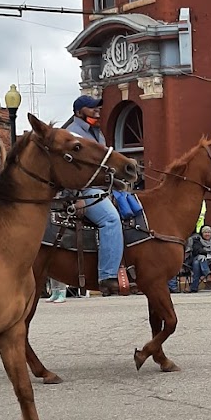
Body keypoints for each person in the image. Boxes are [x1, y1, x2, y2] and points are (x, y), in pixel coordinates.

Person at [62, 94, 125, 295]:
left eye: (98, 108)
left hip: (104, 187)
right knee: (111, 220)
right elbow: (68, 169)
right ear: (79, 112)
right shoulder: (72, 134)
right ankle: (107, 276)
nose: (97, 111)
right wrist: (76, 196)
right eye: (92, 108)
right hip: (86, 190)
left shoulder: (97, 134)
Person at [185, 224, 211, 292]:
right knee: (199, 259)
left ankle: (193, 287)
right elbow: (197, 250)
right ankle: (207, 274)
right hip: (196, 258)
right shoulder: (197, 239)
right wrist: (205, 254)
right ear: (202, 233)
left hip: (210, 261)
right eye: (205, 232)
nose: (207, 234)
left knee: (197, 263)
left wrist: (204, 254)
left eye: (209, 232)